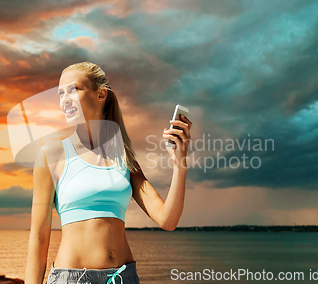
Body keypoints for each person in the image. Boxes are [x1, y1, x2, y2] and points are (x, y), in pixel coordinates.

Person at [24, 62, 192, 284]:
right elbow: (39, 236)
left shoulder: (123, 155)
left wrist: (179, 164)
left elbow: (167, 220)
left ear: (101, 94)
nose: (65, 99)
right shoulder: (51, 155)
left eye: (73, 89)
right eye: (60, 93)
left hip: (124, 278)